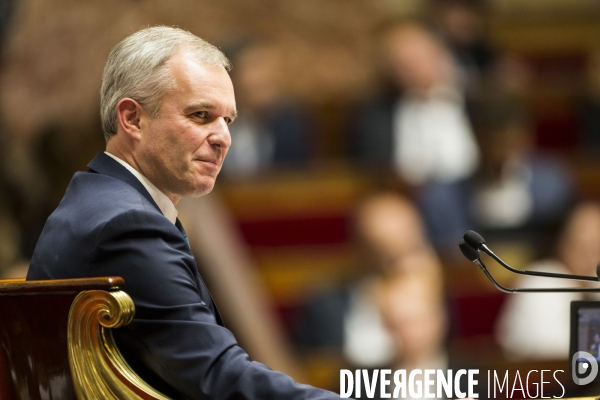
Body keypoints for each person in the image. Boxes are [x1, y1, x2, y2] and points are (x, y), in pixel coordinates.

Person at [26, 26, 343, 400]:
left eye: (228, 120)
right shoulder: (125, 224)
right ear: (132, 119)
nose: (223, 136)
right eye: (201, 114)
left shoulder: (100, 201)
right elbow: (216, 376)